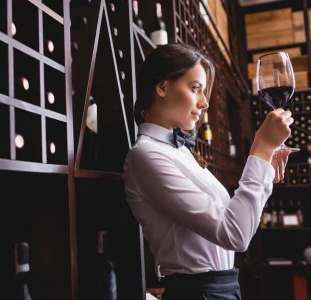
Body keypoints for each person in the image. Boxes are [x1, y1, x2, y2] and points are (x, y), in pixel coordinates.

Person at [123, 43, 292, 299]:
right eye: (195, 88)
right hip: (197, 292)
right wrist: (261, 148)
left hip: (223, 288)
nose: (204, 103)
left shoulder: (180, 152)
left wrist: (265, 170)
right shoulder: (145, 156)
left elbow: (242, 223)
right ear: (162, 87)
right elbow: (236, 236)